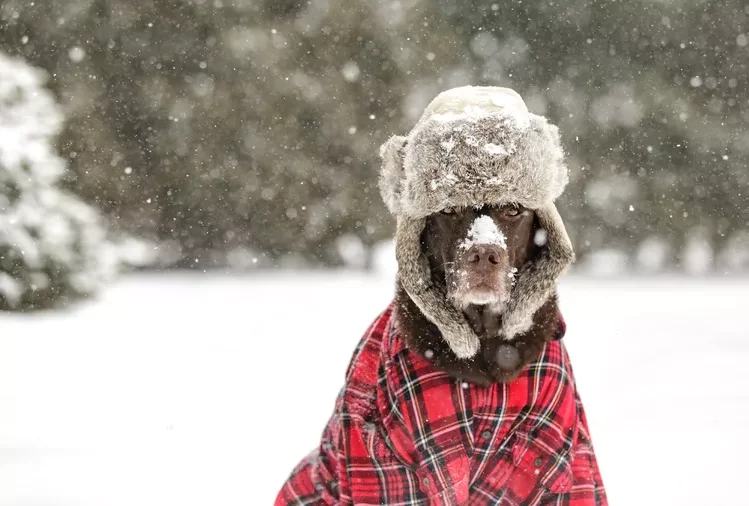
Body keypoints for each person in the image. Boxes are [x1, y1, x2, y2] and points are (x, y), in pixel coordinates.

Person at [275, 86, 607, 505]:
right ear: (420, 235)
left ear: (541, 236)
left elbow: (571, 487)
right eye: (452, 212)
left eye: (511, 212)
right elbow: (363, 485)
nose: (484, 245)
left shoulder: (549, 370)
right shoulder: (388, 370)